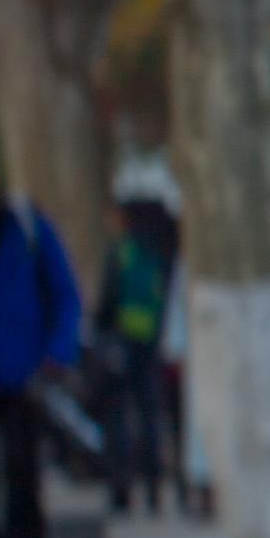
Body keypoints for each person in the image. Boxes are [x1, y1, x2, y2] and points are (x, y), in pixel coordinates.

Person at [0, 162, 84, 538]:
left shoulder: (28, 227)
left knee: (22, 465)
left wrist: (57, 354)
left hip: (23, 372)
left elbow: (65, 294)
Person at [95, 195, 178, 516]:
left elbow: (108, 296)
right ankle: (154, 487)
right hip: (154, 343)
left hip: (122, 340)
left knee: (118, 416)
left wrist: (101, 330)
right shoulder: (162, 249)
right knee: (150, 415)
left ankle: (121, 487)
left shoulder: (123, 249)